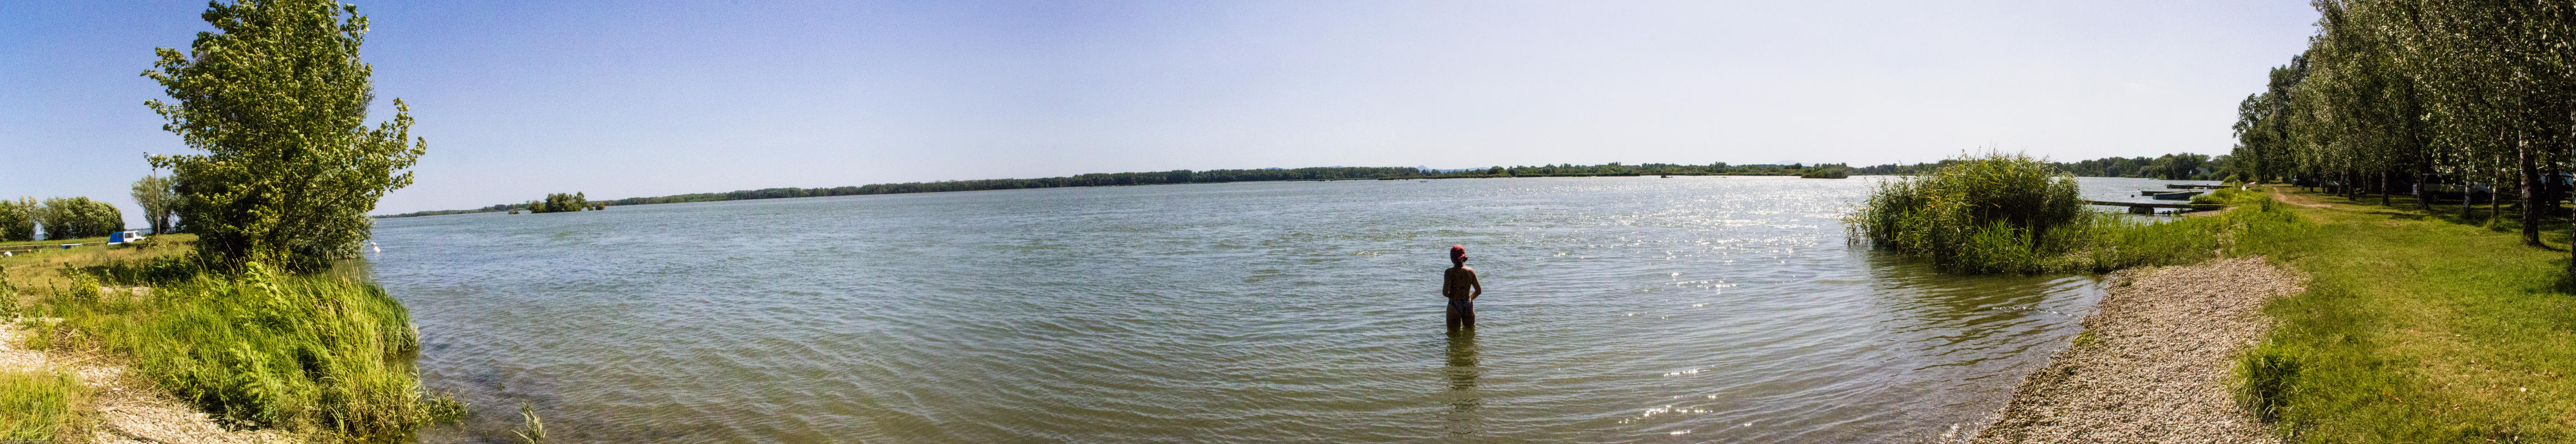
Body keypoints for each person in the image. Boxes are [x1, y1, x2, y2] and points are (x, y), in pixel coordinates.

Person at [1443, 245, 1482, 331]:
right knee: (1470, 335)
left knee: (1453, 336)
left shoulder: (1449, 272)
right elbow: (1478, 291)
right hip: (1468, 304)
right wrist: (1470, 299)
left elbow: (1445, 293)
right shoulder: (1470, 271)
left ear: (1452, 258)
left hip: (1454, 305)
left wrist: (1452, 297)